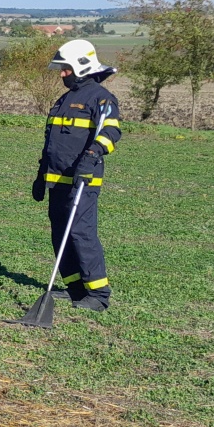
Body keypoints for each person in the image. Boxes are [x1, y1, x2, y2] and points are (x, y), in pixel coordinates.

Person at [32, 38, 122, 311]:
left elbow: (111, 132)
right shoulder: (63, 100)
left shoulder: (102, 98)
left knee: (81, 234)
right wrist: (40, 174)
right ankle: (75, 289)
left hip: (83, 181)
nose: (62, 74)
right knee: (60, 233)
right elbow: (52, 142)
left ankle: (98, 294)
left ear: (82, 67)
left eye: (66, 69)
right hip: (56, 180)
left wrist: (92, 156)